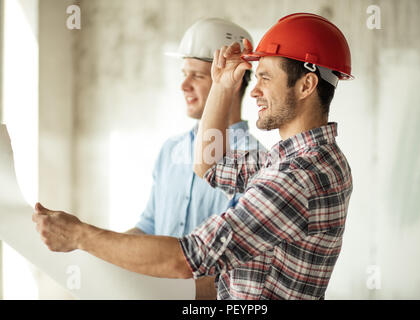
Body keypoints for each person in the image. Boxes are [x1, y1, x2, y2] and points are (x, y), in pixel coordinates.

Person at [32, 13, 353, 300]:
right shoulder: (296, 161)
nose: (255, 90)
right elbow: (209, 164)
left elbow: (189, 258)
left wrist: (80, 235)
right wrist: (223, 85)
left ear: (306, 85)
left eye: (265, 77)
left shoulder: (298, 175)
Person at [126, 18, 263, 299]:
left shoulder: (257, 162)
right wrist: (91, 250)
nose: (184, 85)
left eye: (198, 76)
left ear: (232, 80)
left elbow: (239, 268)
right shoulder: (170, 150)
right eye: (184, 73)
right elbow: (149, 227)